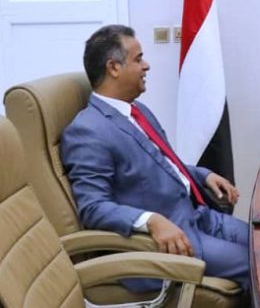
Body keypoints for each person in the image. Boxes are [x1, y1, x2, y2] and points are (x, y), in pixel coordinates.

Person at [61, 25, 249, 292]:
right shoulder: (88, 131)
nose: (146, 66)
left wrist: (203, 174)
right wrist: (151, 220)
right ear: (114, 67)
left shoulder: (138, 111)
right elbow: (93, 207)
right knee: (257, 265)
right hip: (167, 242)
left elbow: (162, 164)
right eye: (138, 59)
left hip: (198, 217)